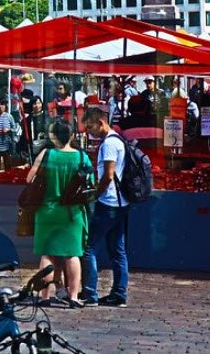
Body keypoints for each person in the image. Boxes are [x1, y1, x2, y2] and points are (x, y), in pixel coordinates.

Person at [30, 122, 88, 308]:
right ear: (71, 136)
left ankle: (45, 296)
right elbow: (90, 184)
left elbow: (29, 178)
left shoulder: (46, 155)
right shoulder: (81, 157)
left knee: (47, 254)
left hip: (47, 211)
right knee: (72, 254)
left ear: (53, 136)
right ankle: (73, 297)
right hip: (72, 213)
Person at [80, 107, 130, 308]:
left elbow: (108, 175)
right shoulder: (117, 140)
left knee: (88, 248)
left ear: (101, 123)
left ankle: (90, 293)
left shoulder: (109, 144)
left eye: (90, 126)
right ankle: (119, 293)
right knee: (117, 249)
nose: (89, 131)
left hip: (108, 202)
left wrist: (95, 195)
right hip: (120, 203)